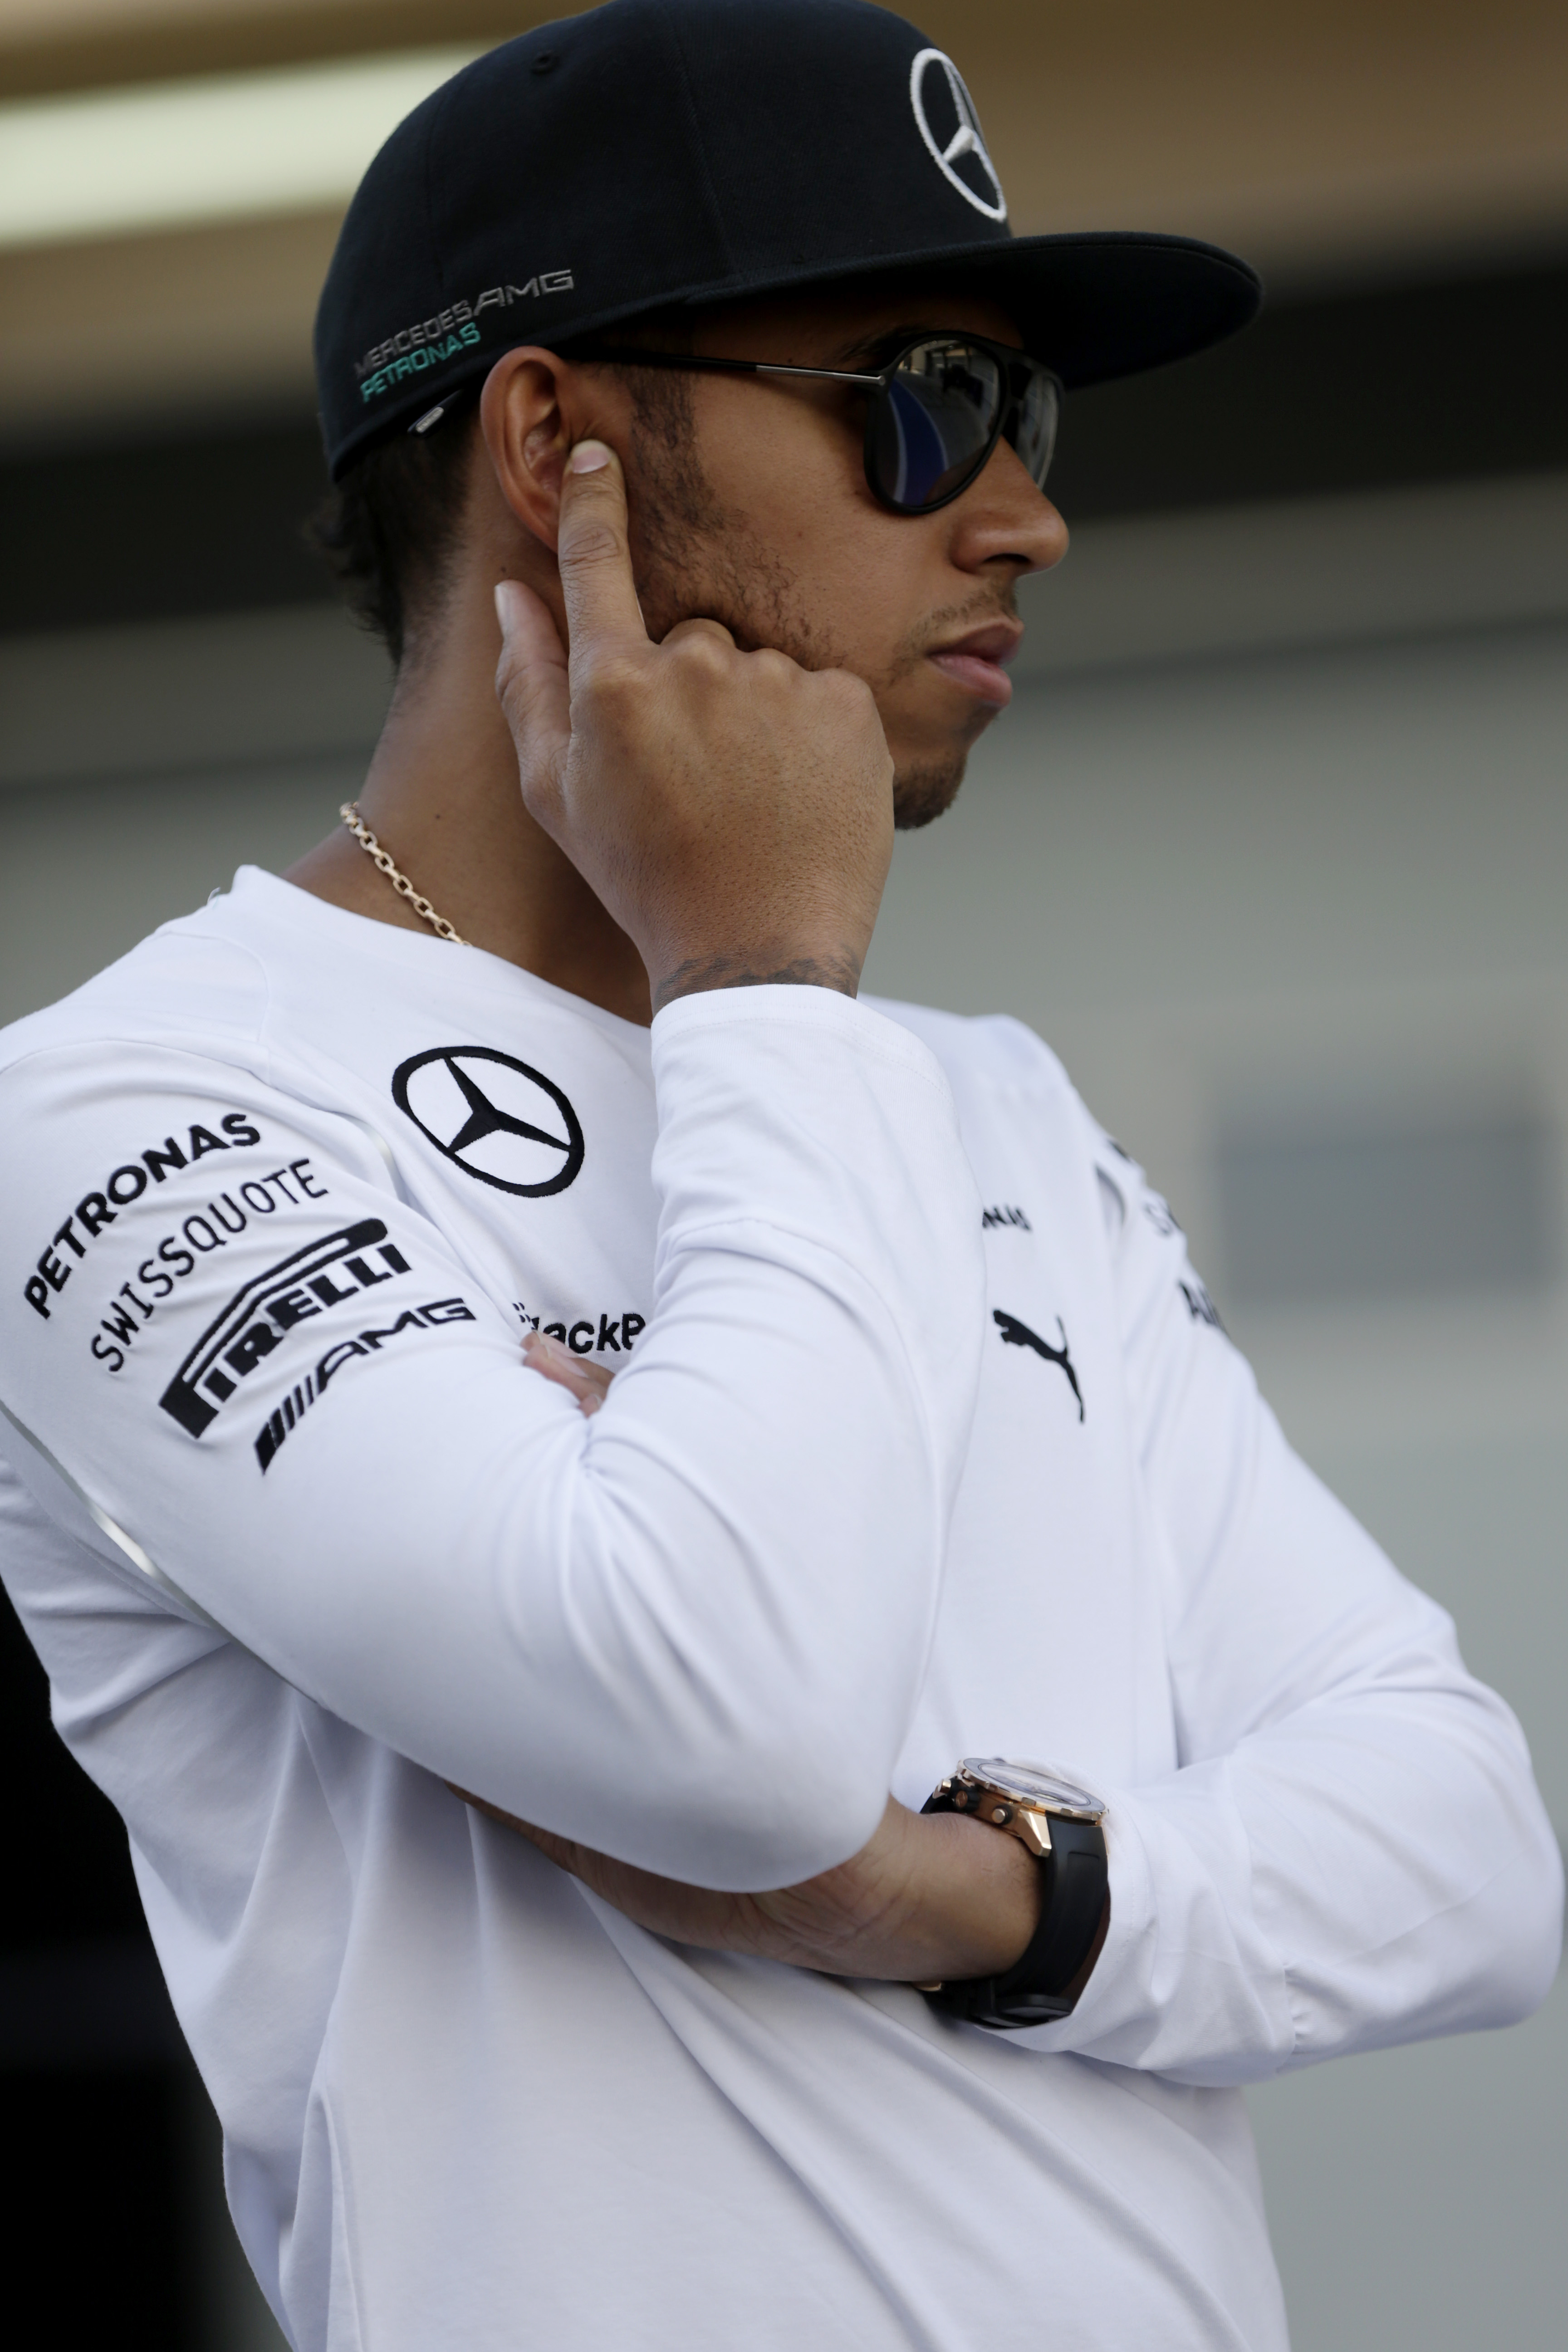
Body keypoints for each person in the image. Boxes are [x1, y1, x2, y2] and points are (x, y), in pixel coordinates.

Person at [0, 5, 1558, 2347]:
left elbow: (1466, 1853)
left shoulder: (979, 1101)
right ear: (555, 440)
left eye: (1028, 416)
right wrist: (751, 965)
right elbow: (715, 1732)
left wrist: (971, 1896)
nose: (1023, 512)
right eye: (924, 397)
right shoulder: (121, 1108)